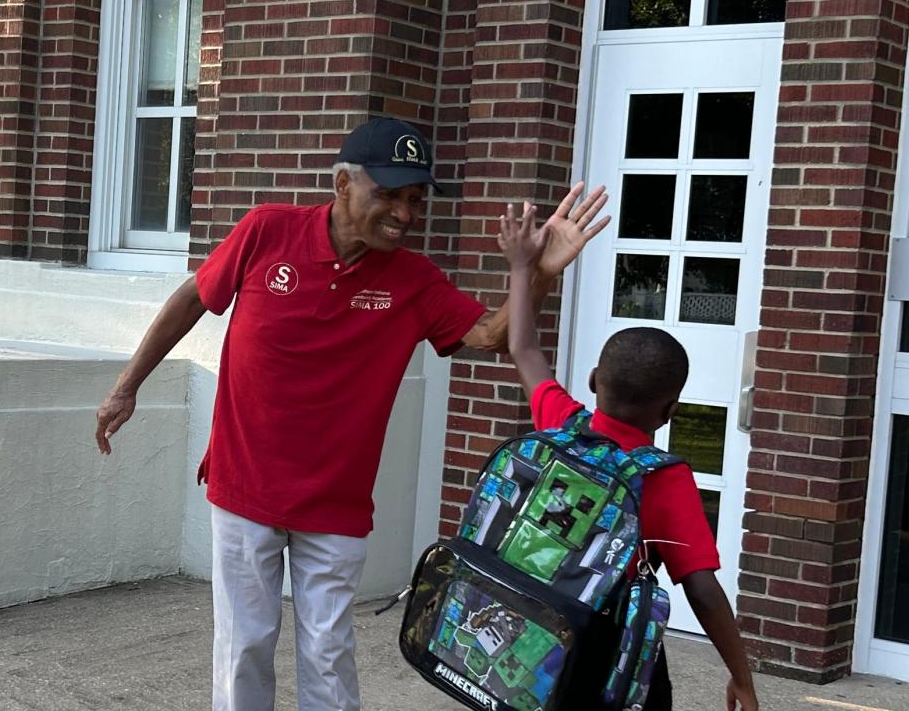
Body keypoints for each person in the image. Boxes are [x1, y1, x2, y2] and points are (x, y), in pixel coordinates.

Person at [93, 117, 610, 711]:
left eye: (414, 199)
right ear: (342, 185)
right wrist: (126, 386)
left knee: (328, 655)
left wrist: (540, 273)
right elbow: (192, 296)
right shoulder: (267, 231)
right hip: (244, 486)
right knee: (242, 648)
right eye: (388, 194)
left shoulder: (414, 281)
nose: (405, 213)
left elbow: (494, 334)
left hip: (335, 503)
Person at [498, 203, 759, 711]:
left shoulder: (560, 423)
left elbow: (523, 348)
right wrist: (741, 676)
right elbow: (701, 588)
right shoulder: (662, 478)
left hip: (538, 630)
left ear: (595, 381)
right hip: (613, 651)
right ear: (669, 411)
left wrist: (522, 266)